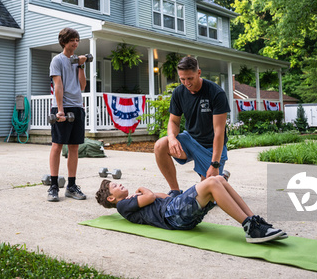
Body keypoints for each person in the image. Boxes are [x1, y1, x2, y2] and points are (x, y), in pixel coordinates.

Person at [95, 177, 287, 243]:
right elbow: (152, 196)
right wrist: (141, 190)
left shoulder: (130, 202)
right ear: (111, 198)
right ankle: (249, 228)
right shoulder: (122, 205)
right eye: (115, 186)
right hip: (173, 216)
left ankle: (253, 221)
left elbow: (164, 197)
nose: (119, 185)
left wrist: (143, 194)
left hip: (174, 209)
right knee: (211, 182)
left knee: (219, 179)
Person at [154, 56, 230, 196]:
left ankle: (221, 177)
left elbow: (219, 132)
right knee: (160, 145)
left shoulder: (216, 93)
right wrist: (171, 138)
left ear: (199, 73)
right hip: (190, 140)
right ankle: (175, 191)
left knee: (205, 197)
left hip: (210, 147)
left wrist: (215, 164)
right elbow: (173, 122)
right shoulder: (179, 92)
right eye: (182, 79)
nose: (186, 83)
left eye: (190, 78)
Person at [47, 27, 89, 202]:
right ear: (64, 41)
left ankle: (71, 186)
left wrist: (80, 65)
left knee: (74, 147)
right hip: (61, 107)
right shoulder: (57, 60)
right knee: (57, 145)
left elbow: (82, 86)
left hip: (77, 107)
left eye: (78, 39)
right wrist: (60, 109)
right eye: (72, 39)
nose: (76, 42)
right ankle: (54, 186)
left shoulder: (76, 61)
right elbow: (58, 86)